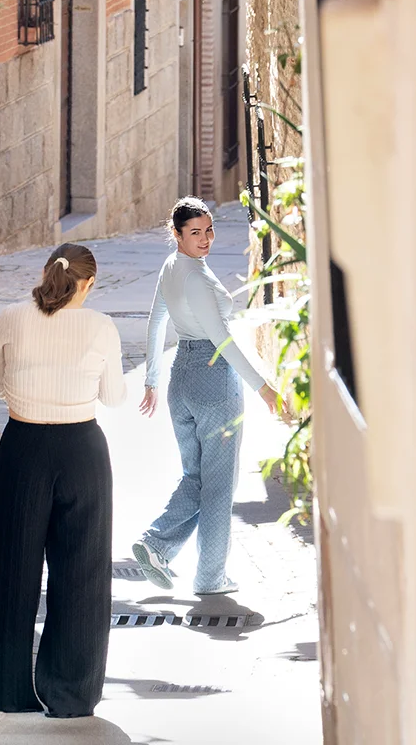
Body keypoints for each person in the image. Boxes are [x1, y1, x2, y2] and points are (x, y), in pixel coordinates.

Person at [0, 242, 126, 719]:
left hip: (23, 447)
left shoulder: (11, 317)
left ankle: (5, 690)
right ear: (87, 284)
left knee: (12, 570)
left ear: (48, 275)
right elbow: (114, 396)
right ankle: (71, 694)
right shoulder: (101, 326)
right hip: (81, 450)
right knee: (82, 572)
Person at [132, 197, 279, 596]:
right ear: (177, 234)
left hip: (181, 380)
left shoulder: (172, 268)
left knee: (197, 477)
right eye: (195, 232)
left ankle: (155, 544)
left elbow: (157, 321)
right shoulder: (194, 277)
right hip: (214, 383)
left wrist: (153, 379)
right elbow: (222, 340)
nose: (206, 239)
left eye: (209, 230)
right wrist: (263, 386)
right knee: (218, 485)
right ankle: (210, 576)